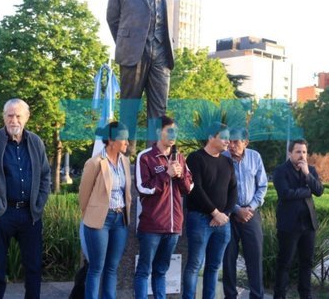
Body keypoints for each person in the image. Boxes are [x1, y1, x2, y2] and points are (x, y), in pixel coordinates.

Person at [0, 98, 51, 299]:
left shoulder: (36, 142)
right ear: (4, 117)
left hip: (30, 214)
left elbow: (45, 176)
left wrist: (39, 204)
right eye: (9, 115)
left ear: (26, 117)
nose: (13, 120)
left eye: (18, 116)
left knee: (33, 267)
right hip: (2, 214)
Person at [106, 0, 175, 155]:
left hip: (161, 55)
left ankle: (153, 159)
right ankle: (125, 158)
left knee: (159, 111)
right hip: (133, 54)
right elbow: (112, 18)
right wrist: (128, 44)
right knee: (129, 108)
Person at [134, 115, 193, 299]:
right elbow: (143, 188)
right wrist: (166, 174)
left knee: (161, 271)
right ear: (159, 132)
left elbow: (189, 188)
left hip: (174, 227)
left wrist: (180, 174)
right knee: (144, 270)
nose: (174, 135)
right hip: (152, 226)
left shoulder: (180, 158)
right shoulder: (145, 157)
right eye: (170, 131)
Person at [183, 123, 237, 299]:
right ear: (211, 137)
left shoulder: (228, 161)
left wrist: (225, 214)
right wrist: (215, 213)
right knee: (194, 265)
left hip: (223, 223)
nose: (228, 141)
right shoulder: (195, 158)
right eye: (223, 137)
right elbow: (195, 189)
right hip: (199, 220)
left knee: (214, 267)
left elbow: (233, 190)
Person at [79, 121, 132, 299]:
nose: (127, 143)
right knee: (96, 267)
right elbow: (84, 195)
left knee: (112, 267)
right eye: (123, 139)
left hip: (120, 220)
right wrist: (89, 216)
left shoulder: (125, 161)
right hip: (99, 221)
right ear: (111, 140)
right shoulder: (94, 162)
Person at [273, 139, 323, 299]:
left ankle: (305, 296)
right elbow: (285, 194)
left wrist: (307, 174)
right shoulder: (281, 171)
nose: (301, 155)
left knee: (306, 263)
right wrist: (307, 191)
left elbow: (319, 191)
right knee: (285, 264)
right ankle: (279, 296)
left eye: (304, 152)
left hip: (308, 224)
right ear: (290, 153)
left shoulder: (311, 170)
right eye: (298, 152)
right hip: (289, 225)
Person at [222, 128, 268, 299]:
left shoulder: (255, 157)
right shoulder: (223, 158)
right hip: (228, 214)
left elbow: (262, 186)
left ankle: (256, 296)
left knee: (254, 258)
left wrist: (251, 208)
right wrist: (236, 209)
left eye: (236, 142)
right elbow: (219, 191)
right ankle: (230, 296)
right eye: (230, 142)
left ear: (245, 143)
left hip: (251, 213)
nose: (232, 146)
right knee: (228, 259)